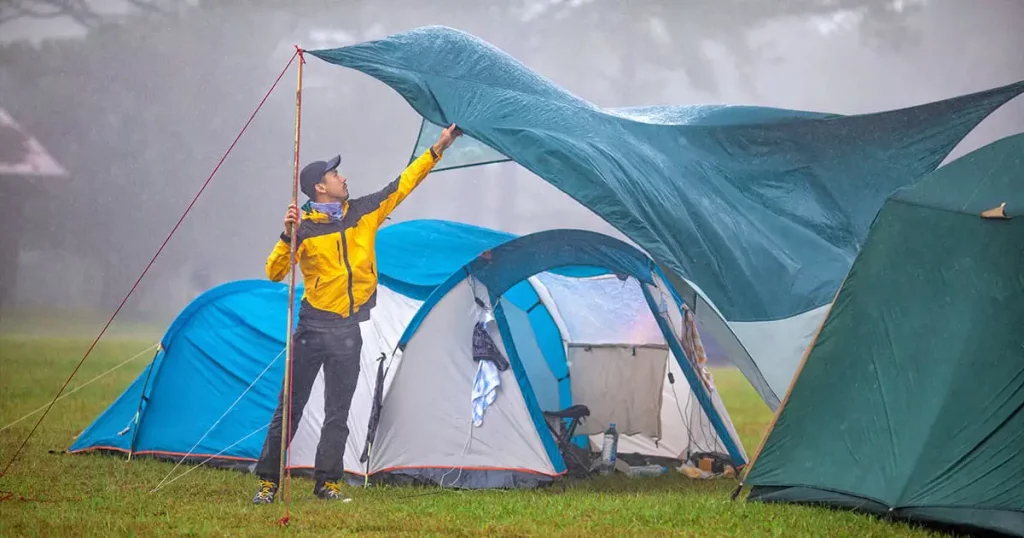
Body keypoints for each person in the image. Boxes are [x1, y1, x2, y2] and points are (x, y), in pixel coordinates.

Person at [252, 123, 463, 504]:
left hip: (349, 330)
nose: (342, 178)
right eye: (334, 174)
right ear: (320, 186)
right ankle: (268, 483)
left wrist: (438, 148)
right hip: (312, 328)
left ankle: (327, 483)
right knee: (290, 409)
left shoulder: (363, 212)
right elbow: (274, 272)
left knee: (338, 412)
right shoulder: (303, 227)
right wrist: (287, 236)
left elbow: (403, 184)